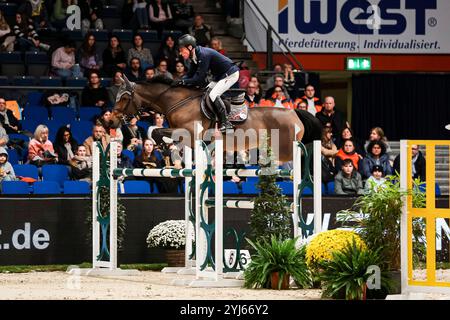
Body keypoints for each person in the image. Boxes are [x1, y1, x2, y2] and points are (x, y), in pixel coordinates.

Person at [176, 33, 239, 132]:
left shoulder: (203, 55)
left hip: (230, 73)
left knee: (213, 94)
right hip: (220, 76)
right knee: (206, 92)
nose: (180, 53)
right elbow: (190, 73)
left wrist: (183, 81)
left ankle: (226, 122)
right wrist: (179, 81)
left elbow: (199, 79)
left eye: (181, 50)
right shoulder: (194, 56)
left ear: (189, 47)